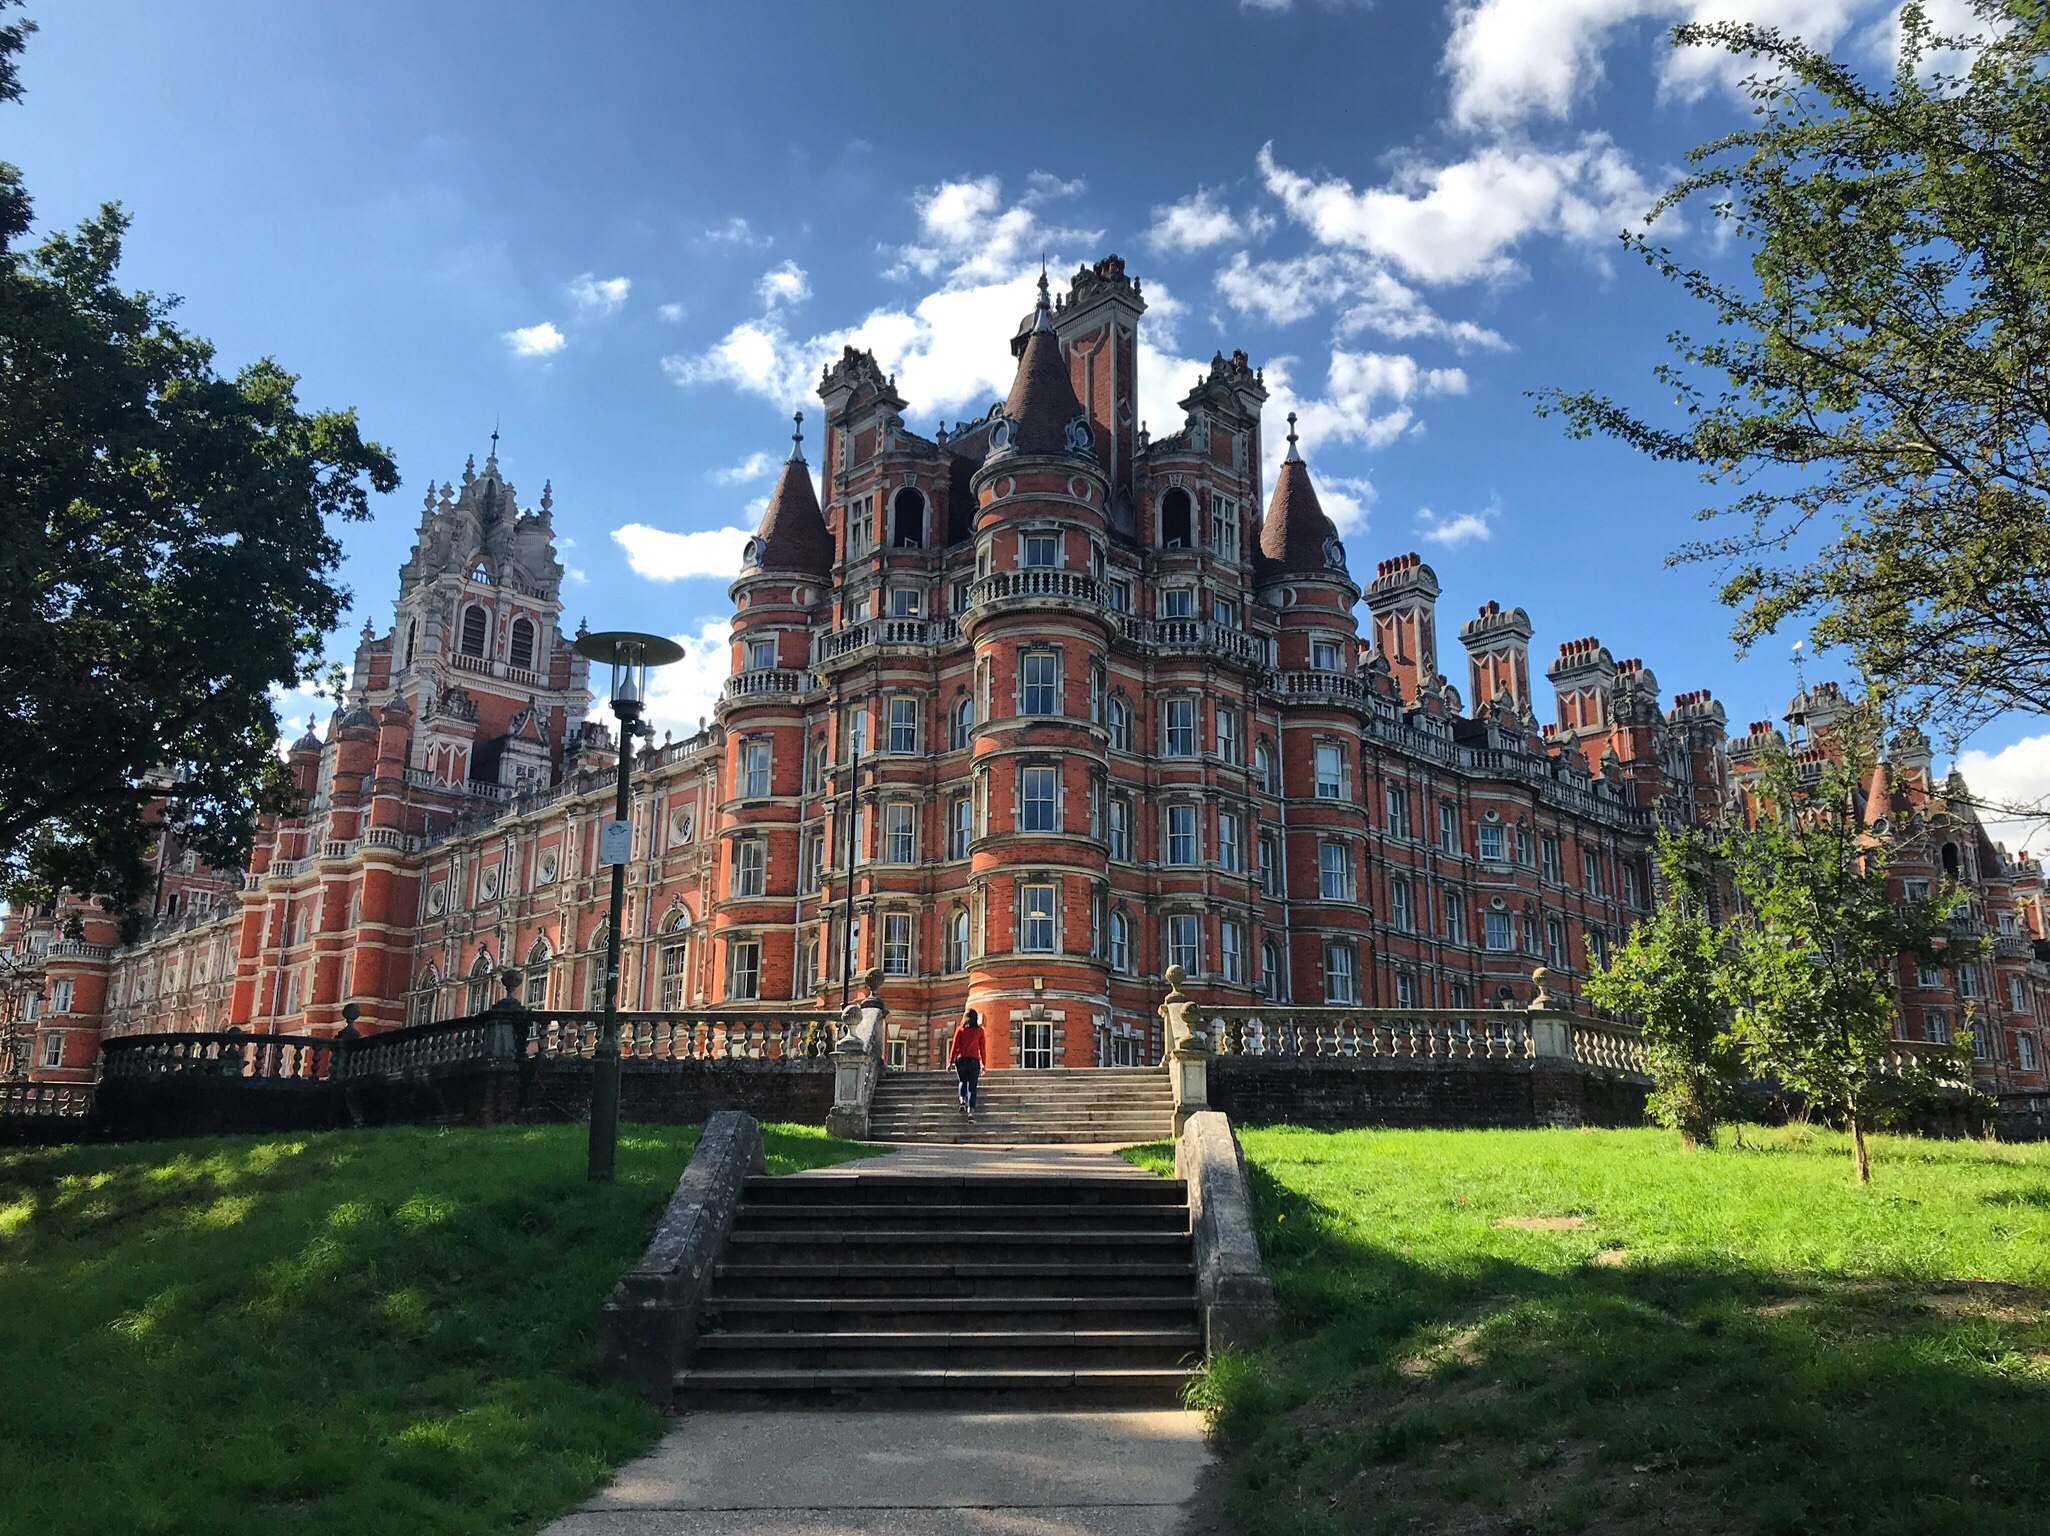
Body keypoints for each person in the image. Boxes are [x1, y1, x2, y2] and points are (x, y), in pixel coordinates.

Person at [947, 1007, 987, 1116]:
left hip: (961, 1060)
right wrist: (984, 1064)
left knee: (962, 1081)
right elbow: (982, 1048)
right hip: (974, 1060)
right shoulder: (979, 1031)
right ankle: (971, 1112)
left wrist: (950, 1062)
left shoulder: (960, 1029)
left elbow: (954, 1046)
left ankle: (962, 1099)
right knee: (972, 1087)